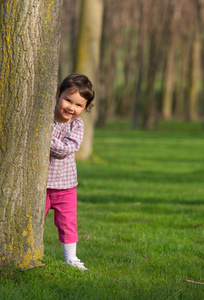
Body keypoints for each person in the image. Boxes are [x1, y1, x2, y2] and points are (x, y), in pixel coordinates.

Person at [45, 73, 95, 270]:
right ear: (58, 94)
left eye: (79, 105)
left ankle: (71, 258)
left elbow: (66, 149)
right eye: (68, 100)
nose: (71, 108)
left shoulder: (76, 125)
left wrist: (44, 137)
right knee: (31, 219)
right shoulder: (45, 118)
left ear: (84, 108)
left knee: (67, 223)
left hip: (65, 187)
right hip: (39, 185)